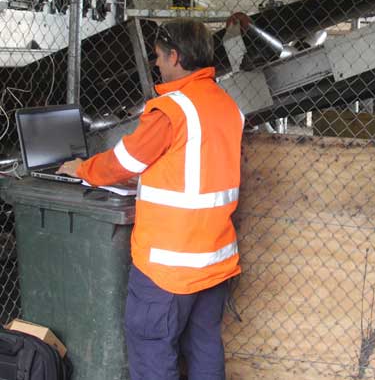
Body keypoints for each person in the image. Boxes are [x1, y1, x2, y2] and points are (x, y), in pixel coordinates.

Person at [59, 19, 244, 380]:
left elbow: (124, 162)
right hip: (214, 257)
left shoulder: (172, 109)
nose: (156, 64)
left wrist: (83, 168)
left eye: (158, 56)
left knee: (152, 348)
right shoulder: (226, 105)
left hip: (168, 265)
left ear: (175, 56)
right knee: (204, 346)